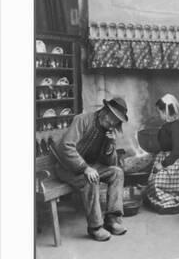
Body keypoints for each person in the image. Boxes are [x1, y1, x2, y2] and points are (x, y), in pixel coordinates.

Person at [54, 97, 128, 242]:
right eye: (112, 117)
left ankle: (112, 220)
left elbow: (109, 162)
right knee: (92, 178)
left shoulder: (108, 130)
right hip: (66, 168)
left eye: (116, 120)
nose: (113, 122)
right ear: (104, 111)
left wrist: (110, 143)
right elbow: (66, 147)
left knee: (117, 172)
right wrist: (85, 168)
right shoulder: (82, 120)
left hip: (90, 167)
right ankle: (95, 227)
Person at [143, 94, 179, 214]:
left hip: (174, 162)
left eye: (160, 112)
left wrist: (163, 164)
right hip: (165, 157)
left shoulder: (176, 126)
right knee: (152, 180)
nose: (159, 114)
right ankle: (158, 200)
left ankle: (169, 203)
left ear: (166, 111)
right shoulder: (167, 125)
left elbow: (176, 151)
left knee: (156, 182)